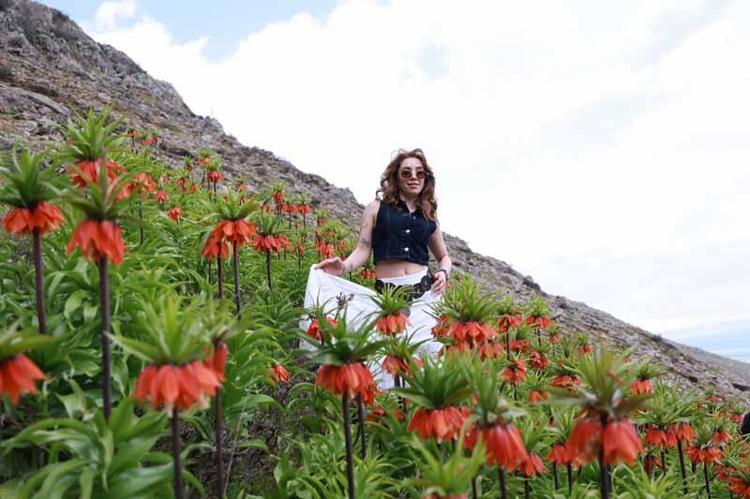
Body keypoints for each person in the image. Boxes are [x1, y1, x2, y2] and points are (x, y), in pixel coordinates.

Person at [301, 148, 452, 386]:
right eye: (406, 172)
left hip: (425, 299)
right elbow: (363, 250)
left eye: (420, 173)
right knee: (384, 367)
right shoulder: (375, 208)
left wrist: (443, 272)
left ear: (426, 178)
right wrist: (343, 266)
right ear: (395, 177)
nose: (414, 177)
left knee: (428, 367)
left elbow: (444, 257)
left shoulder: (429, 216)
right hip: (387, 299)